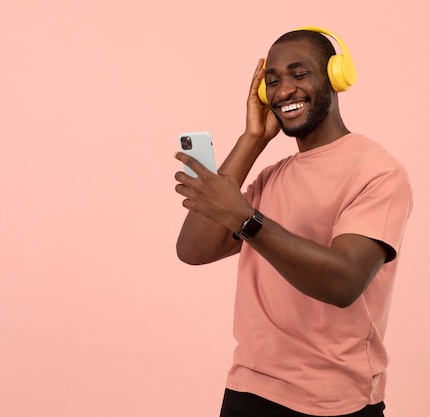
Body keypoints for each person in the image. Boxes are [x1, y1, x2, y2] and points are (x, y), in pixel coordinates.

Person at [174, 27, 412, 417]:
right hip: (248, 390)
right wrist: (252, 138)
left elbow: (344, 282)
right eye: (272, 81)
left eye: (299, 74)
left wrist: (244, 217)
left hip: (334, 402)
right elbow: (193, 249)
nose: (284, 91)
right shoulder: (273, 176)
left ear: (335, 77)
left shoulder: (378, 172)